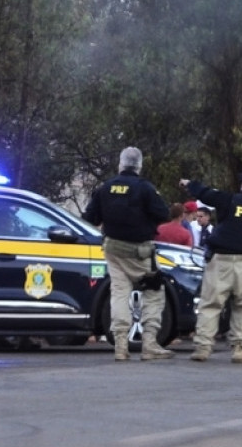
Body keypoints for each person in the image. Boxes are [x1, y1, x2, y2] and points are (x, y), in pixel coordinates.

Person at [83, 146, 176, 362]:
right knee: (154, 292)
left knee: (119, 294)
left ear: (120, 164)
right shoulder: (145, 188)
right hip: (140, 253)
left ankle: (121, 346)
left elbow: (90, 218)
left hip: (113, 249)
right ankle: (150, 343)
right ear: (139, 166)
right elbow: (163, 214)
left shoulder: (105, 187)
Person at [180, 169, 242, 363]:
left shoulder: (230, 200)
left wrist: (189, 183)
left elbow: (206, 193)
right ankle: (240, 349)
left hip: (221, 261)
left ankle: (203, 348)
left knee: (210, 305)